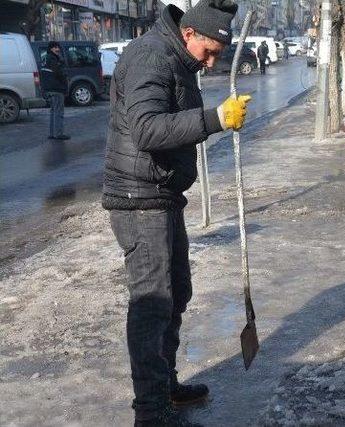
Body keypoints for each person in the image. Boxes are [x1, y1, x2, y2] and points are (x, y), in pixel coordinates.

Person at [102, 1, 251, 426]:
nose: (210, 63)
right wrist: (215, 119)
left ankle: (164, 386)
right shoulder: (151, 54)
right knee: (153, 302)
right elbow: (148, 129)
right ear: (189, 34)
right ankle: (151, 411)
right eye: (208, 53)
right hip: (137, 197)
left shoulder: (179, 57)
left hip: (160, 193)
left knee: (177, 292)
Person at [41, 41, 69, 140]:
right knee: (58, 112)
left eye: (58, 47)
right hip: (56, 89)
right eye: (55, 47)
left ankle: (52, 133)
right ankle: (58, 133)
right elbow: (58, 73)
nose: (57, 49)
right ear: (51, 49)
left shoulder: (45, 58)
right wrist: (64, 79)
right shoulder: (53, 59)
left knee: (53, 111)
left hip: (48, 89)